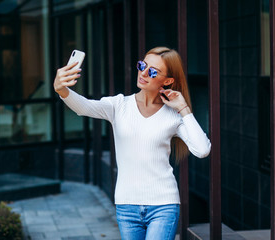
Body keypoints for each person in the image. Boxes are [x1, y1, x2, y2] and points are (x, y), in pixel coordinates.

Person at [54, 46, 211, 240]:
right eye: (142, 65)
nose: (143, 73)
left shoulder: (174, 115)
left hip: (163, 205)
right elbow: (84, 107)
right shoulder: (119, 106)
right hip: (127, 205)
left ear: (168, 80)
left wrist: (183, 108)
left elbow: (202, 149)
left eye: (153, 71)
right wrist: (62, 89)